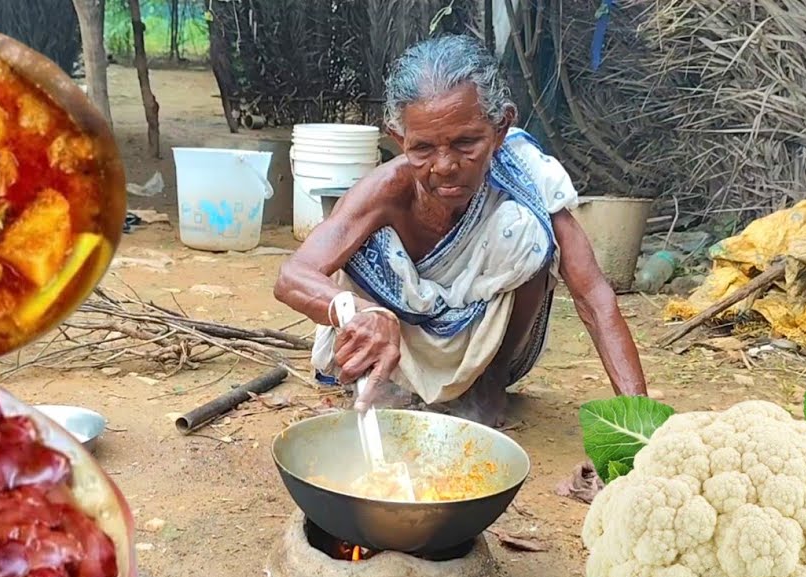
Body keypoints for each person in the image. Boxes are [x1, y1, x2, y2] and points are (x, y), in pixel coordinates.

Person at [274, 35, 647, 426]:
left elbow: (593, 297)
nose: (445, 165)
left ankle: (489, 382)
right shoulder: (385, 192)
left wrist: (640, 429)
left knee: (529, 233)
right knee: (365, 245)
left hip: (485, 345)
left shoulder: (528, 175)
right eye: (422, 149)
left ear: (501, 129)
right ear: (398, 139)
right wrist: (362, 313)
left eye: (466, 143)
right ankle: (387, 382)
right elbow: (292, 277)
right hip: (394, 343)